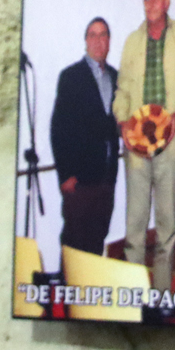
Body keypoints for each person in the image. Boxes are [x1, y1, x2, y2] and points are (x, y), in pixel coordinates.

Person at [111, 0, 175, 294]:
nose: (151, 4)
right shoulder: (133, 41)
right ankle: (134, 295)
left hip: (171, 143)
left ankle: (160, 295)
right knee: (134, 226)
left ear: (168, 2)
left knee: (166, 226)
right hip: (136, 145)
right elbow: (122, 90)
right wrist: (122, 122)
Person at [49, 18, 121, 256]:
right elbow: (58, 129)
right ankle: (67, 282)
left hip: (106, 179)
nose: (98, 41)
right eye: (93, 35)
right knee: (74, 246)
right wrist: (65, 175)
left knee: (97, 242)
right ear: (86, 41)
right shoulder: (71, 77)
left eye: (103, 35)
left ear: (109, 41)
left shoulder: (116, 78)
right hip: (79, 181)